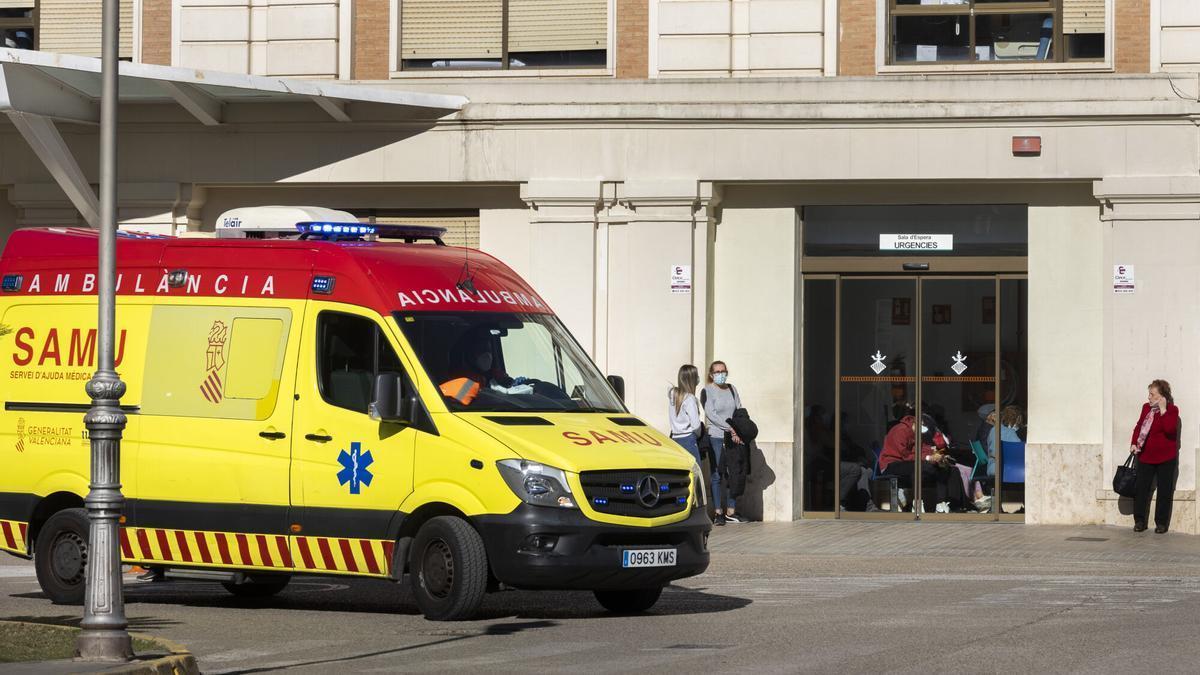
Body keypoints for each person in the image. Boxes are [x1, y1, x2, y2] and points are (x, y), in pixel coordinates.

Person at [879, 411, 965, 512]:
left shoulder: (919, 433)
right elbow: (905, 455)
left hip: (911, 462)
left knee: (950, 469)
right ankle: (918, 502)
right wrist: (928, 458)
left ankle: (946, 504)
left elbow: (924, 449)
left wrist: (937, 456)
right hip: (892, 463)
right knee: (924, 467)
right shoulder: (900, 430)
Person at [1130, 379, 1180, 533]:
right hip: (1146, 456)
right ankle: (1140, 521)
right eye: (1149, 394)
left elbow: (1170, 430)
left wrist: (1163, 410)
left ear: (1161, 396)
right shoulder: (1146, 408)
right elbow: (1139, 426)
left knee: (1164, 491)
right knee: (1141, 490)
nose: (1149, 397)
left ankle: (1161, 523)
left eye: (1152, 394)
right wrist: (1134, 443)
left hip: (1166, 458)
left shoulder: (1172, 410)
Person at [702, 361, 744, 523]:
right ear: (711, 374)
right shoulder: (707, 391)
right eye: (717, 372)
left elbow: (739, 410)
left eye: (723, 371)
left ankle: (731, 511)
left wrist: (737, 430)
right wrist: (730, 428)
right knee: (716, 474)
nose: (721, 374)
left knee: (732, 472)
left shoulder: (732, 389)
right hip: (716, 436)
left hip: (733, 437)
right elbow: (711, 414)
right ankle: (718, 512)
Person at [668, 363, 705, 489]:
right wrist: (699, 435)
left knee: (679, 476)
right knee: (695, 475)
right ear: (692, 379)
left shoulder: (673, 395)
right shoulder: (690, 399)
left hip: (675, 438)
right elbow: (696, 425)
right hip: (688, 439)